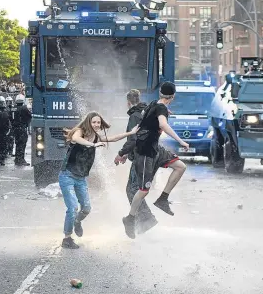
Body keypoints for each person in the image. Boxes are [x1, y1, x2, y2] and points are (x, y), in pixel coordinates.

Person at [59, 111, 139, 249]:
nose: (96, 125)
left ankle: (77, 222)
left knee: (86, 209)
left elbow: (113, 138)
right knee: (72, 208)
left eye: (98, 122)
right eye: (94, 122)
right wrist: (92, 145)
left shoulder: (96, 137)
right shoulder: (79, 132)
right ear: (88, 122)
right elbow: (77, 139)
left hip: (81, 178)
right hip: (67, 175)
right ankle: (67, 238)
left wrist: (130, 133)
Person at [122, 82, 189, 239]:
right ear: (172, 97)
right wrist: (181, 141)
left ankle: (163, 199)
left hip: (155, 149)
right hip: (145, 152)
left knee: (180, 167)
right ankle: (130, 219)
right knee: (142, 190)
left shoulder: (155, 104)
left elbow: (150, 114)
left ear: (161, 94)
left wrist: (164, 112)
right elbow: (163, 125)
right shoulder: (160, 108)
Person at [114, 89, 158, 234]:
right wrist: (128, 152)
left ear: (128, 102)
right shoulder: (146, 111)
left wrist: (122, 153)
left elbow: (134, 138)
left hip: (141, 156)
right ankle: (144, 220)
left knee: (132, 190)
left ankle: (146, 220)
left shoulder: (134, 115)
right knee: (137, 189)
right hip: (149, 155)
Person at [13, 94, 32, 166]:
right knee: (22, 144)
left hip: (15, 128)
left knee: (17, 143)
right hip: (22, 128)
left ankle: (17, 158)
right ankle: (21, 159)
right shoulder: (24, 108)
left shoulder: (13, 108)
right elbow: (30, 116)